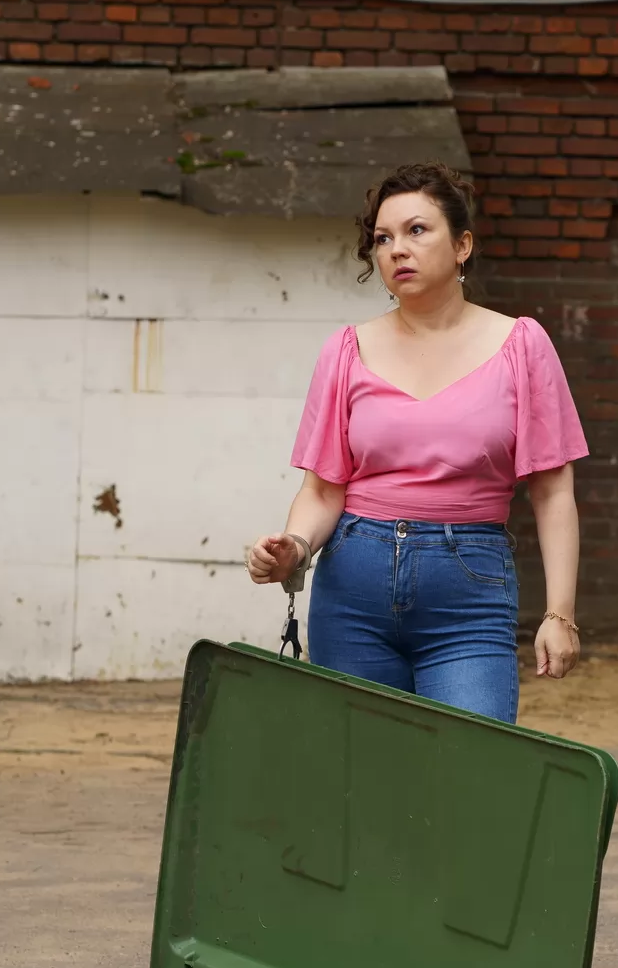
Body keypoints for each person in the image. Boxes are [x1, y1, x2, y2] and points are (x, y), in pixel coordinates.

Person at [246, 163, 587, 723]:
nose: (397, 249)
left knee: (469, 761)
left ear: (462, 246)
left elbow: (552, 492)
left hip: (468, 595)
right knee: (361, 766)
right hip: (352, 592)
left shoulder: (521, 345)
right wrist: (295, 548)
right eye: (383, 238)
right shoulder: (346, 350)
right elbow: (323, 490)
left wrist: (560, 614)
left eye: (417, 230)